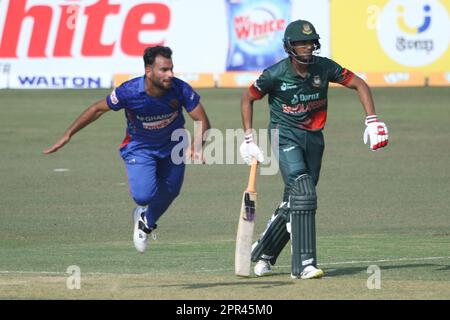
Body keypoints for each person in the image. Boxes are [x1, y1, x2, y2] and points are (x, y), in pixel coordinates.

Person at [239, 20, 388, 279]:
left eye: (310, 42)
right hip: (284, 136)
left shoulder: (324, 67)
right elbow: (248, 98)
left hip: (314, 138)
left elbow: (359, 84)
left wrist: (372, 120)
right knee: (304, 193)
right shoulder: (275, 74)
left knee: (296, 200)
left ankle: (263, 251)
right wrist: (249, 138)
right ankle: (304, 265)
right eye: (301, 43)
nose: (307, 47)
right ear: (289, 47)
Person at [44, 46, 211, 253]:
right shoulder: (129, 92)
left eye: (171, 69)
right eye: (164, 70)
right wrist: (68, 134)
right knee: (143, 197)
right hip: (139, 147)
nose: (170, 74)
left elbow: (202, 120)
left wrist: (195, 146)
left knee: (171, 191)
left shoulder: (181, 89)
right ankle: (142, 211)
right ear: (148, 71)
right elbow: (97, 109)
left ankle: (146, 223)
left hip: (173, 146)